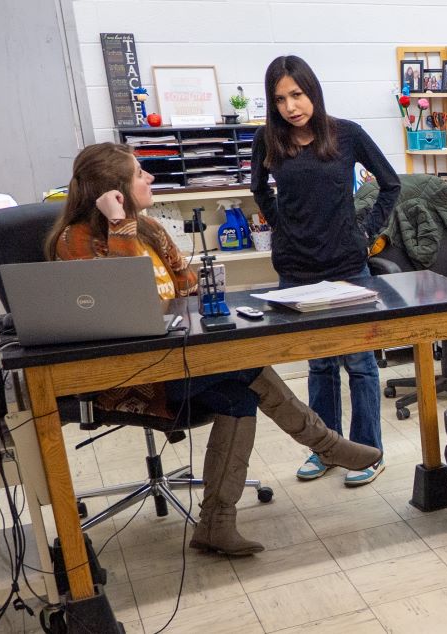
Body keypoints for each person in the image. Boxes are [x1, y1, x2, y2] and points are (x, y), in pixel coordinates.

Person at [47, 143, 382, 556]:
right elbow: (128, 305)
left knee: (240, 389)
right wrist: (118, 228)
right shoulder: (75, 240)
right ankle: (325, 443)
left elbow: (188, 285)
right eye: (139, 174)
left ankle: (216, 525)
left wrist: (158, 257)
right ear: (112, 190)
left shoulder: (149, 229)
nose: (150, 178)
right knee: (245, 368)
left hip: (179, 361)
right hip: (132, 377)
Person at [251, 55, 401, 486]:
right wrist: (281, 226)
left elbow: (390, 184)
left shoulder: (346, 134)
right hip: (297, 270)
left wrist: (365, 232)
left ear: (311, 90)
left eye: (296, 94)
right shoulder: (269, 140)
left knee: (360, 363)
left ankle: (368, 453)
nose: (290, 106)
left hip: (346, 265)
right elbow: (258, 190)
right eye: (280, 99)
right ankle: (326, 449)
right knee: (320, 365)